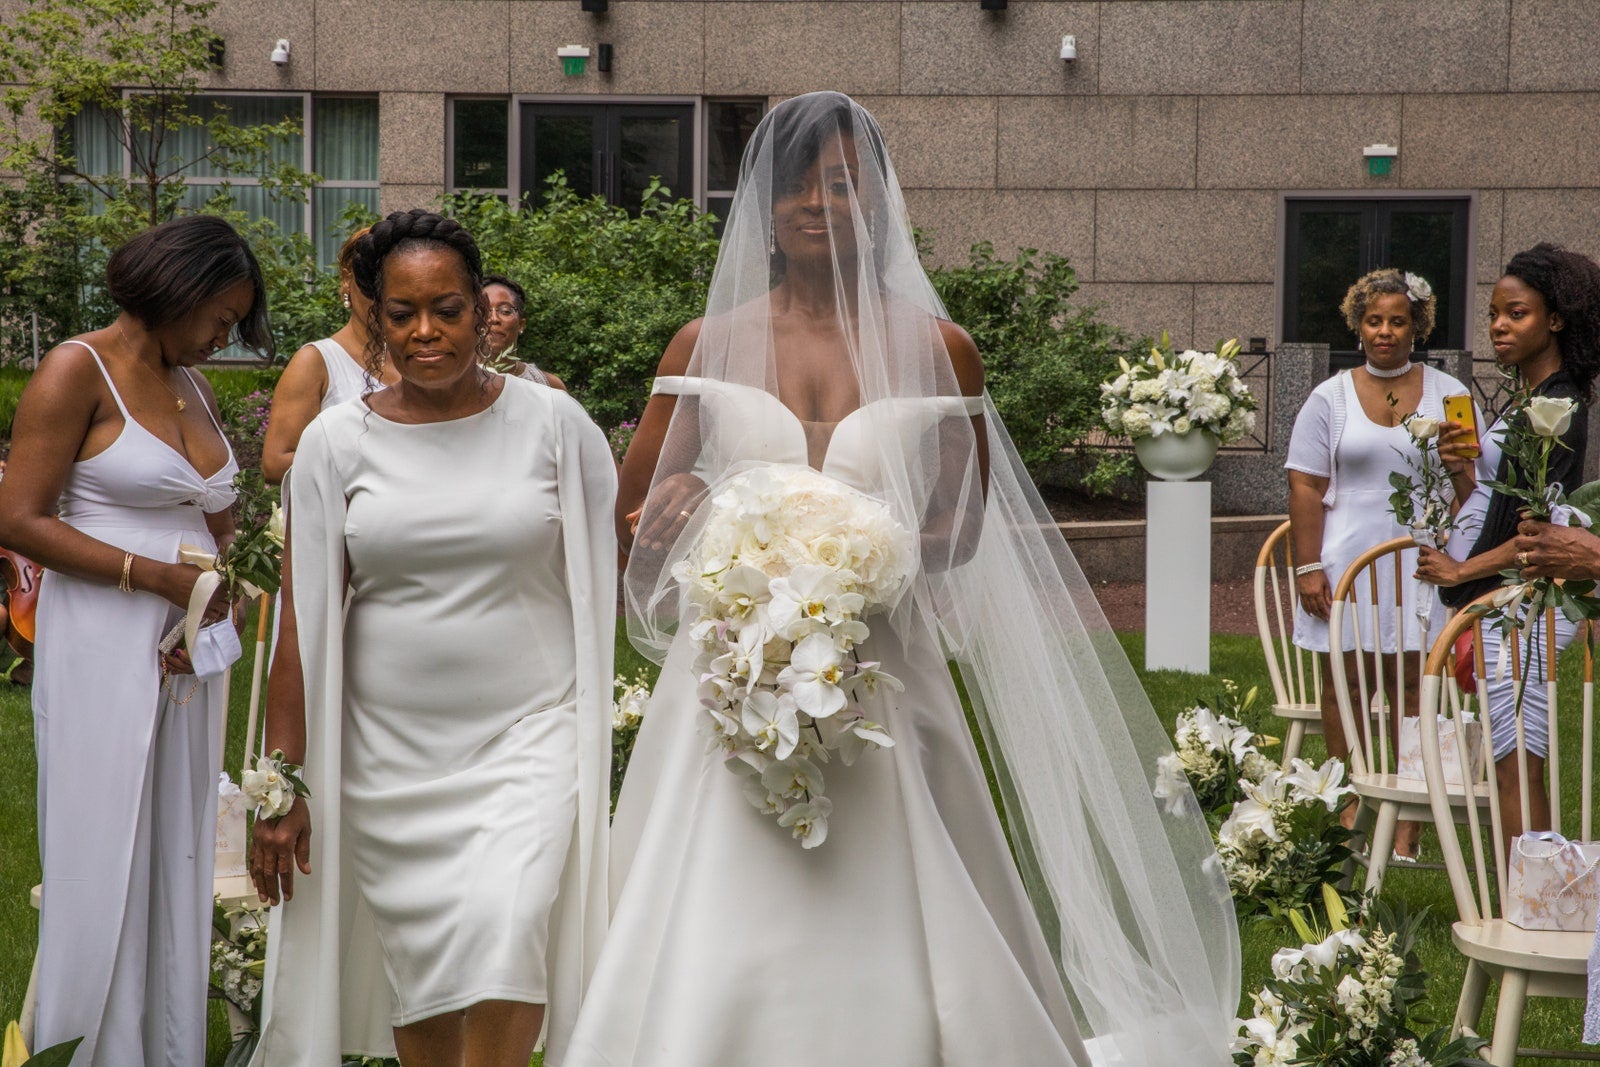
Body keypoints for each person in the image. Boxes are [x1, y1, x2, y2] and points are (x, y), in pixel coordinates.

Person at [563, 91, 1237, 1067]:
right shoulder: (702, 344)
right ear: (760, 206)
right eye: (793, 183)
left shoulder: (938, 348)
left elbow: (963, 523)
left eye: (839, 183)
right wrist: (672, 519)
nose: (813, 202)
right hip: (732, 670)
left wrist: (874, 558)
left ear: (876, 203)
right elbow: (635, 516)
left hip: (880, 661)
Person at [248, 209, 614, 1066]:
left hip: (530, 731)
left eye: (446, 309)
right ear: (373, 314)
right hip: (388, 755)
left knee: (509, 924)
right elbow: (301, 615)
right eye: (401, 311)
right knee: (424, 967)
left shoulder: (555, 426)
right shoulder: (335, 444)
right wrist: (284, 777)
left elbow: (618, 567)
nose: (425, 331)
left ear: (482, 313)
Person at [0, 215, 268, 1065]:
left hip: (187, 652)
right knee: (103, 840)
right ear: (176, 290)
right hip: (103, 640)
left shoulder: (195, 384)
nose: (225, 335)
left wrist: (223, 597)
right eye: (220, 316)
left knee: (180, 845)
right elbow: (18, 517)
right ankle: (87, 1044)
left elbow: (221, 518)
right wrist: (152, 580)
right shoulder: (75, 370)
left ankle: (170, 1045)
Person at [1285, 268, 1479, 861]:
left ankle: (1408, 823)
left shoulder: (1451, 393)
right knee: (1344, 683)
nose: (1385, 331)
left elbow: (1473, 486)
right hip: (1347, 562)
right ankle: (1351, 809)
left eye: (1398, 320)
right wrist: (1306, 567)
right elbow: (1304, 484)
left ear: (1417, 325)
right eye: (1374, 320)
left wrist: (1462, 559)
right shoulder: (1330, 396)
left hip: (1420, 561)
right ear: (1358, 324)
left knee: (1410, 686)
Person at [1418, 243, 1600, 844]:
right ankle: (1525, 891)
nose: (1498, 325)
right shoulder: (1527, 399)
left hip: (1524, 603)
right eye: (1494, 312)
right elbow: (1499, 505)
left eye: (1515, 313)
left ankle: (1531, 898)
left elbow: (1536, 531)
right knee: (1509, 754)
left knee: (1517, 754)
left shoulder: (1557, 403)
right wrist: (1461, 469)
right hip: (1507, 597)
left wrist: (1458, 570)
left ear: (1555, 320)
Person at [260, 226, 400, 485]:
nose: (383, 297)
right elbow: (275, 464)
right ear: (347, 280)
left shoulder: (417, 360)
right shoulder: (316, 362)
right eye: (371, 283)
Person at [483, 273, 566, 390]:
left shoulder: (549, 387)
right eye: (484, 311)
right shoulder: (453, 382)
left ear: (521, 325)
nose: (494, 319)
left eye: (505, 311)